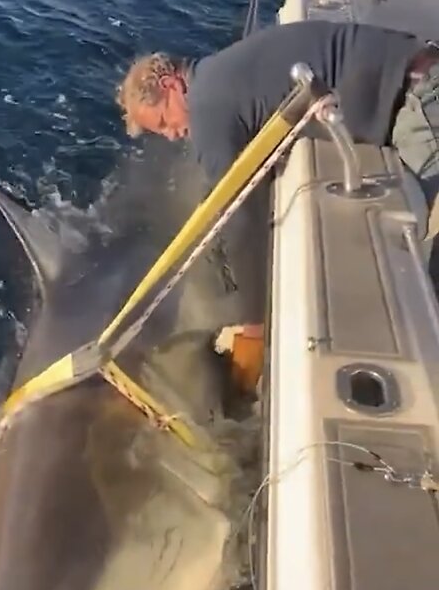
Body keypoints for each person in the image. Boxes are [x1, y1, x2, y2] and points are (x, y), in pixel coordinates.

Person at [115, 20, 439, 392]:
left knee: (431, 262)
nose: (172, 135)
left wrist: (254, 324)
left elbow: (240, 212)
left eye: (163, 123)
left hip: (421, 100)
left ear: (172, 86)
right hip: (413, 80)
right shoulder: (221, 72)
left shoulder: (207, 106)